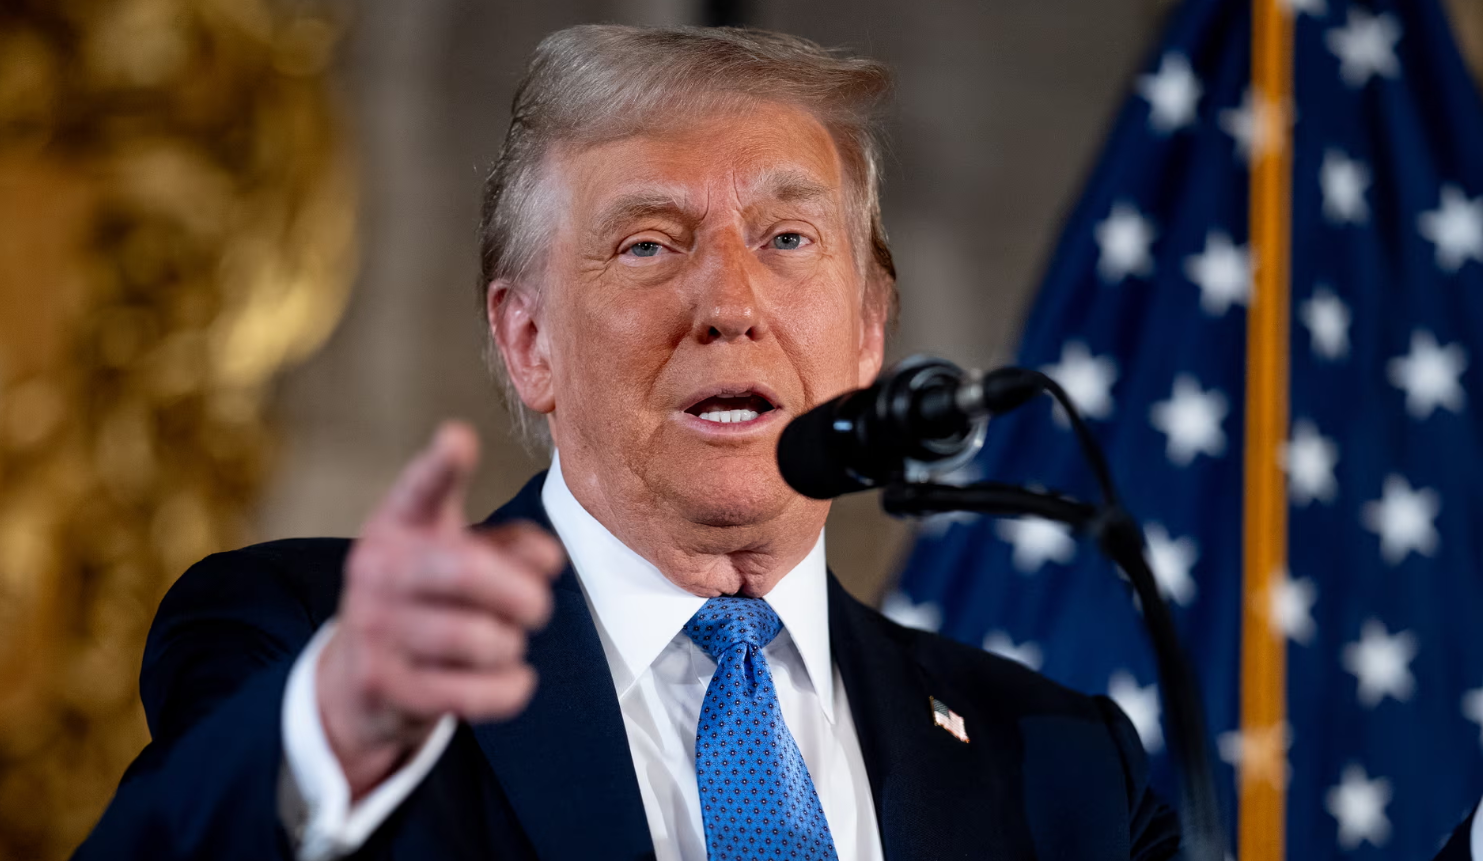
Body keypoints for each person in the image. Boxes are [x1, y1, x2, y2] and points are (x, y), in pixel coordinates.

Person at [76, 24, 1191, 861]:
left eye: (787, 237)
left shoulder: (1058, 768)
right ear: (526, 341)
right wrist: (328, 735)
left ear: (866, 335)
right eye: (651, 245)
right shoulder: (311, 645)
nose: (729, 301)